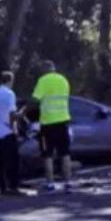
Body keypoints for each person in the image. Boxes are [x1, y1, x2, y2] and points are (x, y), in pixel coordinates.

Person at [32, 60, 72, 193]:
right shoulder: (64, 80)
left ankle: (50, 184)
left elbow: (35, 99)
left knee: (47, 155)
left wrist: (23, 110)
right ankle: (68, 183)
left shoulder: (43, 80)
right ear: (54, 68)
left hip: (47, 123)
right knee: (65, 154)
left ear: (44, 69)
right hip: (63, 122)